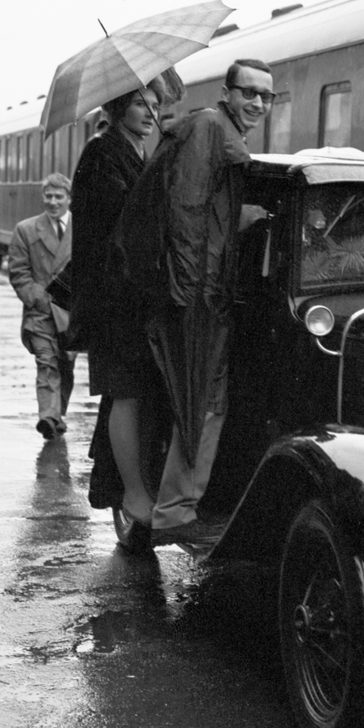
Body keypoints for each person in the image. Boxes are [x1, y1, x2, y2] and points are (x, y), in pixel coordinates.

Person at [117, 58, 272, 547]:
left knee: (206, 402)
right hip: (198, 297)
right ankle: (176, 510)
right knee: (200, 402)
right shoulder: (209, 127)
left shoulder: (221, 130)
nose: (258, 103)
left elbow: (212, 211)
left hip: (205, 293)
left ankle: (177, 505)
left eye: (266, 96)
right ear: (228, 93)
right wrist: (191, 297)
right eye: (249, 92)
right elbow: (186, 212)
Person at [69, 78, 169, 552]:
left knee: (133, 394)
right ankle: (133, 494)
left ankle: (133, 485)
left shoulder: (134, 151)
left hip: (131, 297)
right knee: (125, 393)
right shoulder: (102, 154)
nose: (151, 112)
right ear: (117, 107)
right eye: (140, 103)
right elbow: (120, 224)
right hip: (113, 300)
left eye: (156, 104)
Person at [8, 173, 76, 440]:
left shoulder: (83, 229)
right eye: (48, 196)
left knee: (66, 364)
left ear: (69, 199)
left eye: (59, 197)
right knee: (47, 362)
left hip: (71, 313)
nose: (53, 202)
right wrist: (39, 298)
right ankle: (48, 416)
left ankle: (57, 413)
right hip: (40, 313)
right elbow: (19, 273)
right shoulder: (26, 230)